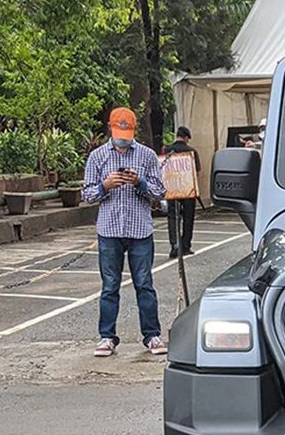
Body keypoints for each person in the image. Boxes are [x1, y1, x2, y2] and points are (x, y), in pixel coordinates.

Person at [82, 107, 168, 357]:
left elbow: (160, 192)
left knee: (144, 284)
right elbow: (86, 194)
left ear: (133, 130)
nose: (123, 137)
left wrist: (139, 182)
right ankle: (107, 336)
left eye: (127, 132)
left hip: (140, 229)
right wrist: (105, 186)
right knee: (110, 285)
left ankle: (152, 335)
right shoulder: (97, 157)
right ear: (110, 127)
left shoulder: (147, 155)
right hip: (109, 230)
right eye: (119, 132)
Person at [164, 126, 200, 258]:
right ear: (186, 138)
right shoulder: (192, 151)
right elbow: (196, 172)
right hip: (188, 188)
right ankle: (186, 246)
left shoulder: (167, 151)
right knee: (188, 218)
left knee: (173, 216)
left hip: (172, 188)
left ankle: (174, 245)